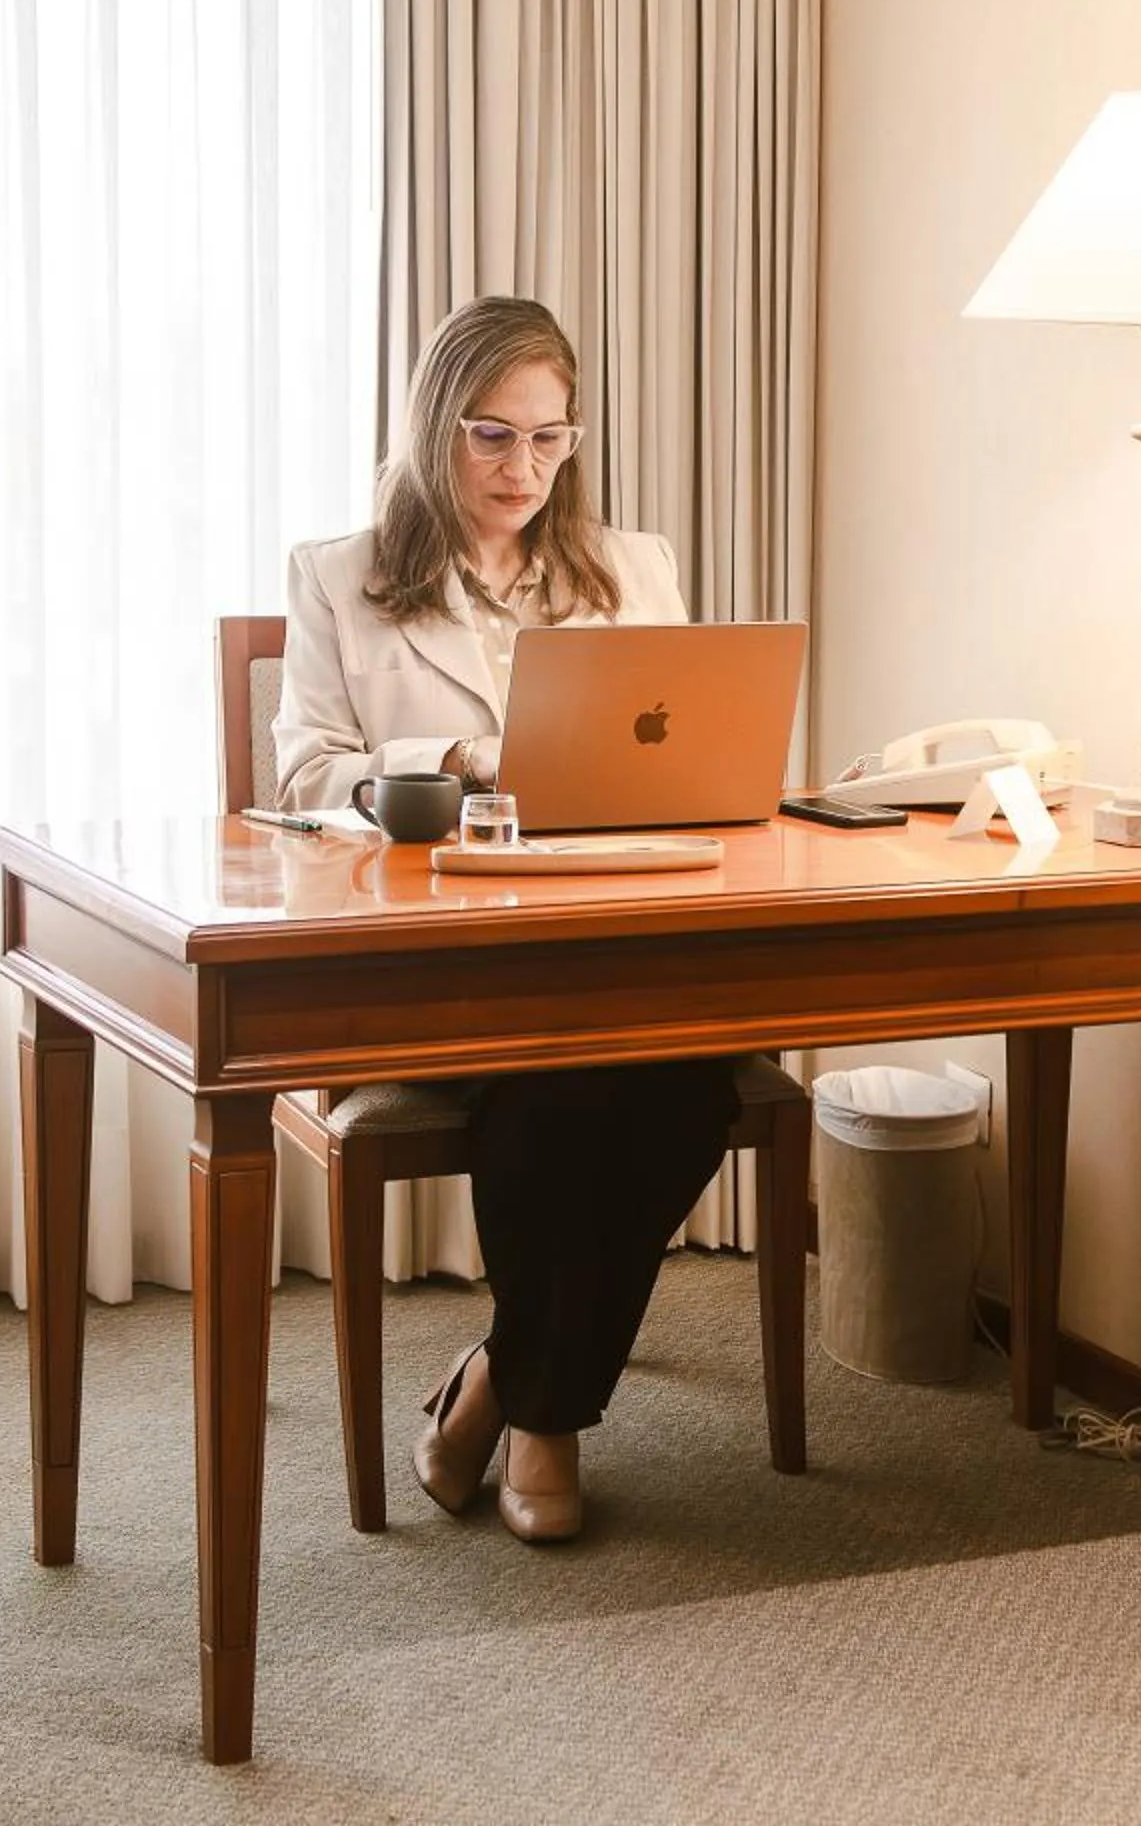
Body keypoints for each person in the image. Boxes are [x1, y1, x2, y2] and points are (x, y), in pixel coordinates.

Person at [271, 294, 737, 1545]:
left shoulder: (634, 569)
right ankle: (548, 1420)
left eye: (550, 438)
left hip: (616, 941)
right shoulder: (342, 577)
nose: (523, 469)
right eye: (491, 436)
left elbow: (686, 745)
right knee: (562, 1080)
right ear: (436, 429)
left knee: (698, 1079)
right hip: (438, 964)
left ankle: (507, 1385)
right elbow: (305, 779)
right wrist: (462, 755)